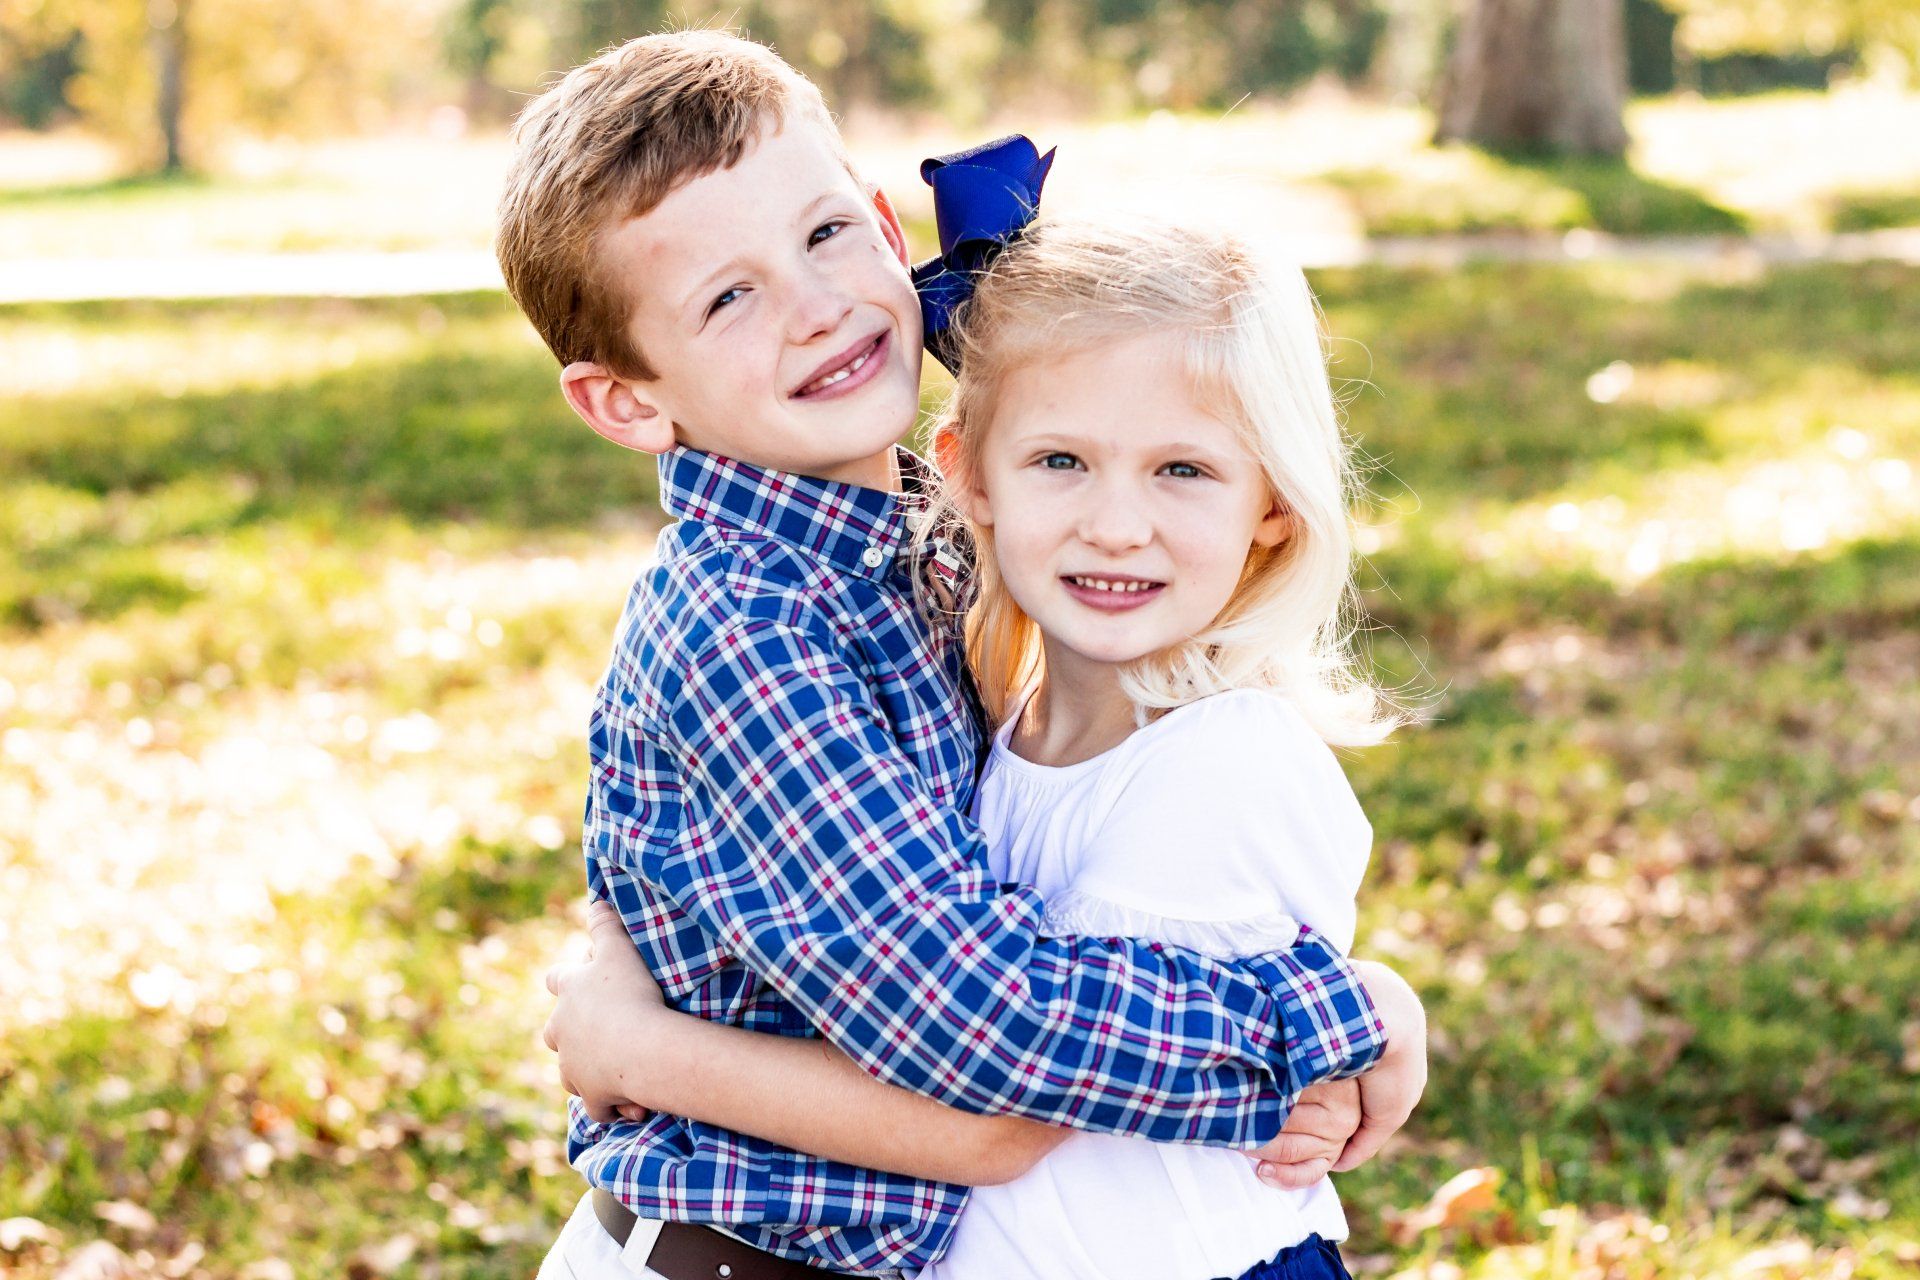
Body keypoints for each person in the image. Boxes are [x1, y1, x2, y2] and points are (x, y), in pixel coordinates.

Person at [495, 29, 1425, 1280]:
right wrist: (1328, 1019)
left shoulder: (926, 549)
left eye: (826, 234)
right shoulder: (752, 633)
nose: (817, 308)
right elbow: (984, 1042)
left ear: (887, 226)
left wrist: (1372, 997)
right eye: (728, 297)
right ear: (628, 398)